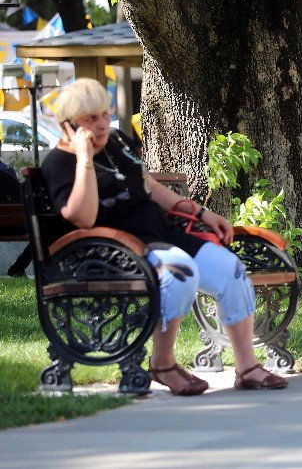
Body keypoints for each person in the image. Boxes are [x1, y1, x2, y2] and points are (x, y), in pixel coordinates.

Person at [41, 79, 288, 393]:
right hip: (114, 249)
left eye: (105, 114)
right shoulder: (60, 163)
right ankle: (163, 363)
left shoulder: (116, 141)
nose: (103, 124)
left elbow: (149, 187)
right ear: (69, 126)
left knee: (231, 270)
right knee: (180, 273)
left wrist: (201, 213)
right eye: (91, 119)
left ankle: (247, 367)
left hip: (159, 235)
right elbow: (84, 217)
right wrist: (85, 158)